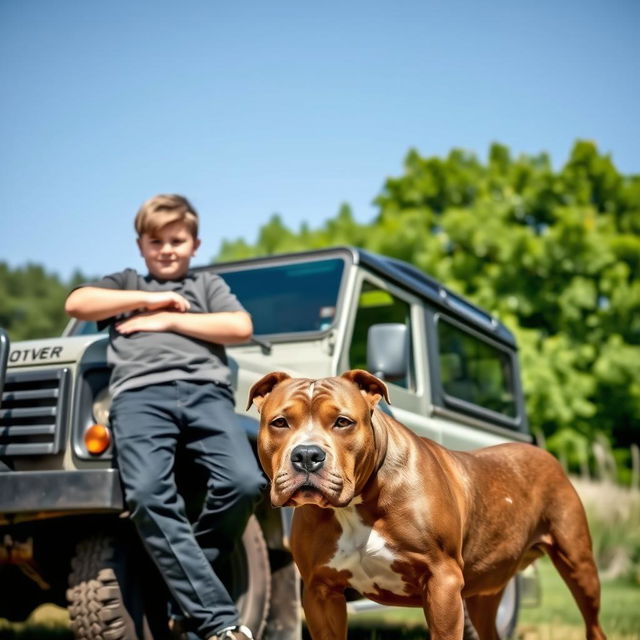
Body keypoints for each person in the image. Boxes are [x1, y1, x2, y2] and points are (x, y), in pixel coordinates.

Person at [65, 194, 266, 640]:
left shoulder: (206, 285)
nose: (167, 249)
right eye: (156, 241)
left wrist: (170, 320)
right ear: (140, 245)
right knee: (148, 495)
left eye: (177, 240)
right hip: (139, 398)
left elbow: (240, 326)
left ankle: (186, 591)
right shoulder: (125, 282)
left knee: (245, 482)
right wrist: (148, 300)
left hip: (205, 395)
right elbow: (77, 304)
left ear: (195, 244)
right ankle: (218, 623)